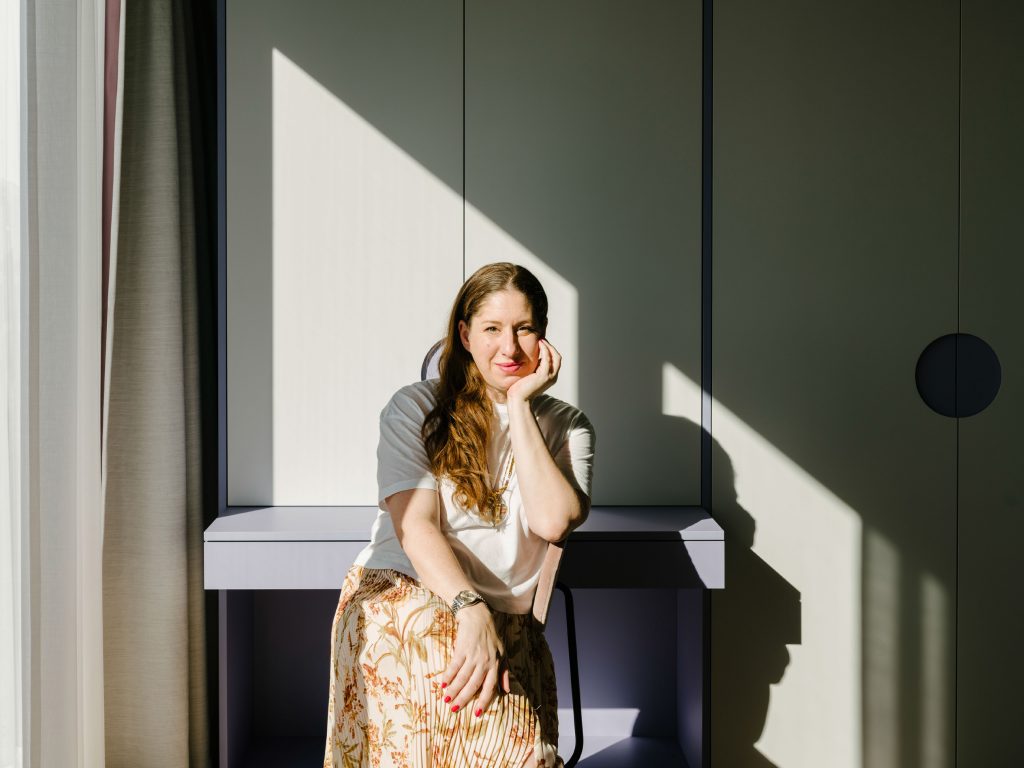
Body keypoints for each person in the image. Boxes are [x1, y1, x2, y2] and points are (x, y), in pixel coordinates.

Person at [323, 262, 596, 768]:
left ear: (544, 338)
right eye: (492, 329)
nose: (510, 348)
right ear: (465, 335)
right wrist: (469, 610)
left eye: (525, 329)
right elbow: (416, 526)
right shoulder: (416, 408)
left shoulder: (567, 426)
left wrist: (518, 405)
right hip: (409, 594)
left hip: (506, 618)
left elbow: (553, 522)